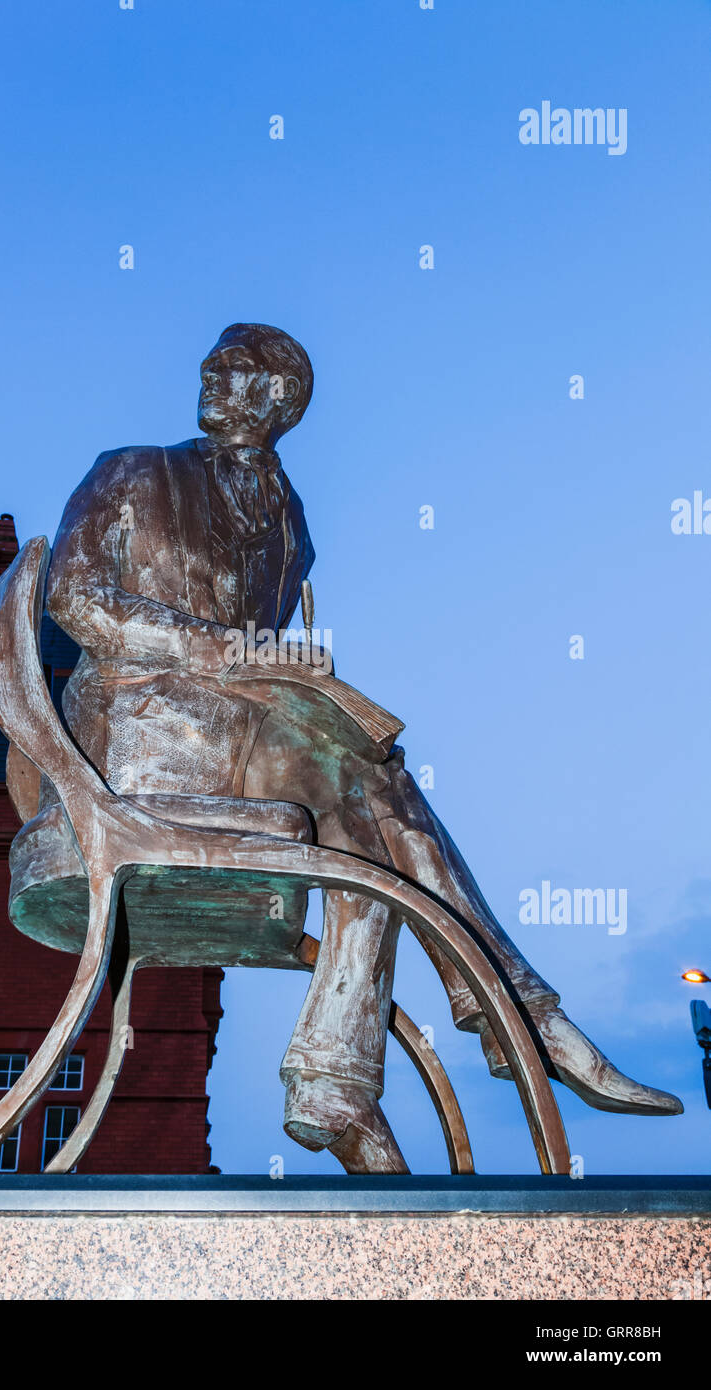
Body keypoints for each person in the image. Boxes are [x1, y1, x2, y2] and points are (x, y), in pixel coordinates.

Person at [46, 322, 681, 1171]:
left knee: (368, 816)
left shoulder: (293, 524)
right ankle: (511, 1018)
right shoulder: (133, 470)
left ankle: (351, 1083)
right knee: (370, 789)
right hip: (137, 737)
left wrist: (283, 673)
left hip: (248, 743)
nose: (211, 374)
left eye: (237, 368)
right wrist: (233, 652)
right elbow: (75, 598)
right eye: (212, 363)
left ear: (282, 398)